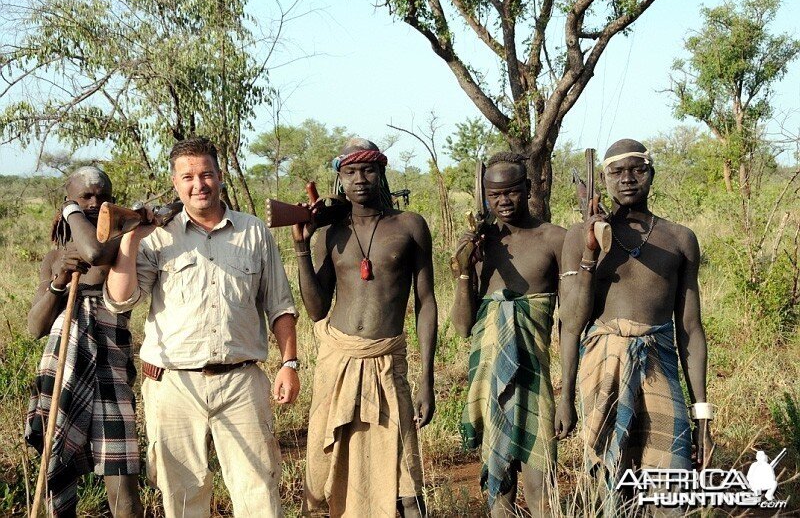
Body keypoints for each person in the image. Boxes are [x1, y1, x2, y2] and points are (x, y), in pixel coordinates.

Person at [104, 137, 300, 517]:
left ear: (220, 177)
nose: (199, 184)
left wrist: (289, 364)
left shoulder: (254, 231)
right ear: (175, 183)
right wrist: (130, 240)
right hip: (174, 384)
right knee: (182, 493)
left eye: (206, 174)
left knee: (258, 488)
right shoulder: (158, 234)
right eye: (188, 177)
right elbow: (121, 298)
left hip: (242, 381)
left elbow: (280, 305)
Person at [293, 138, 437, 517]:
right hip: (337, 360)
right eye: (351, 171)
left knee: (405, 473)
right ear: (340, 178)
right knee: (327, 463)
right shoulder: (329, 234)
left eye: (368, 170)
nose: (360, 179)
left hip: (387, 360)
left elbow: (426, 302)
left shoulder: (409, 226)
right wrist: (301, 249)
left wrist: (427, 379)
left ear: (381, 173)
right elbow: (315, 309)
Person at [559, 139, 713, 494]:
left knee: (670, 481)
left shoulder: (679, 239)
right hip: (601, 370)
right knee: (608, 484)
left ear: (652, 174)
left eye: (637, 170)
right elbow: (572, 323)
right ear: (603, 178)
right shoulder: (578, 237)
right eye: (617, 172)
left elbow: (690, 328)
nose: (627, 179)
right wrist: (589, 252)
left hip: (659, 365)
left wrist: (702, 415)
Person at [450, 152, 567, 517]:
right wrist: (465, 269)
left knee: (540, 481)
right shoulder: (480, 247)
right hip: (488, 379)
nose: (503, 201)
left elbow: (571, 320)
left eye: (512, 191)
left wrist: (570, 392)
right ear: (484, 195)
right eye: (494, 194)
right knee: (499, 481)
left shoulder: (554, 239)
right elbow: (461, 326)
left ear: (528, 188)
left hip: (535, 378)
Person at [26, 167, 143, 518]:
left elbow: (92, 251)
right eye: (85, 198)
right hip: (63, 367)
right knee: (58, 468)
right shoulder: (54, 256)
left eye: (102, 196)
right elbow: (35, 327)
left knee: (122, 481)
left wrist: (70, 211)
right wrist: (58, 280)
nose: (95, 203)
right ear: (69, 197)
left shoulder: (120, 240)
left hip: (111, 369)